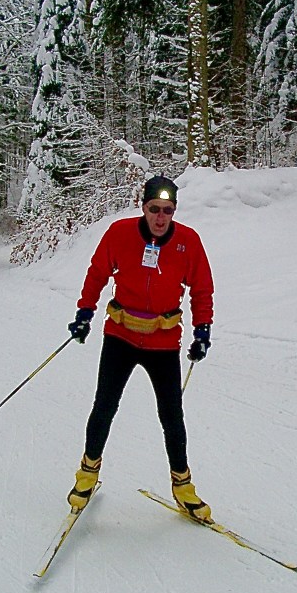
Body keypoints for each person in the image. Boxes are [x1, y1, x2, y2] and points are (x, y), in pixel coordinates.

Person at [65, 175, 215, 521]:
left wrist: (202, 330)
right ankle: (87, 474)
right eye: (154, 209)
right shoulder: (119, 234)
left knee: (172, 416)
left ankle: (183, 487)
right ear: (143, 208)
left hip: (163, 343)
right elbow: (97, 273)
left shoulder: (188, 242)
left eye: (167, 210)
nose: (161, 217)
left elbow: (202, 289)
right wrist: (84, 311)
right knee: (104, 406)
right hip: (121, 335)